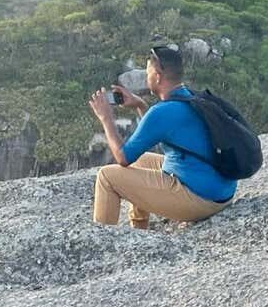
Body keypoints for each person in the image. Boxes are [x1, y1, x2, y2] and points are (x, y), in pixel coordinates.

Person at [88, 45, 236, 229]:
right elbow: (159, 131)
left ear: (157, 76)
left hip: (201, 199)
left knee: (106, 177)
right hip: (221, 189)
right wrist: (140, 105)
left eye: (148, 73)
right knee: (140, 160)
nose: (146, 77)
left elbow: (123, 157)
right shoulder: (191, 98)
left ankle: (101, 245)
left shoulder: (163, 111)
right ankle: (139, 230)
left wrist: (106, 119)